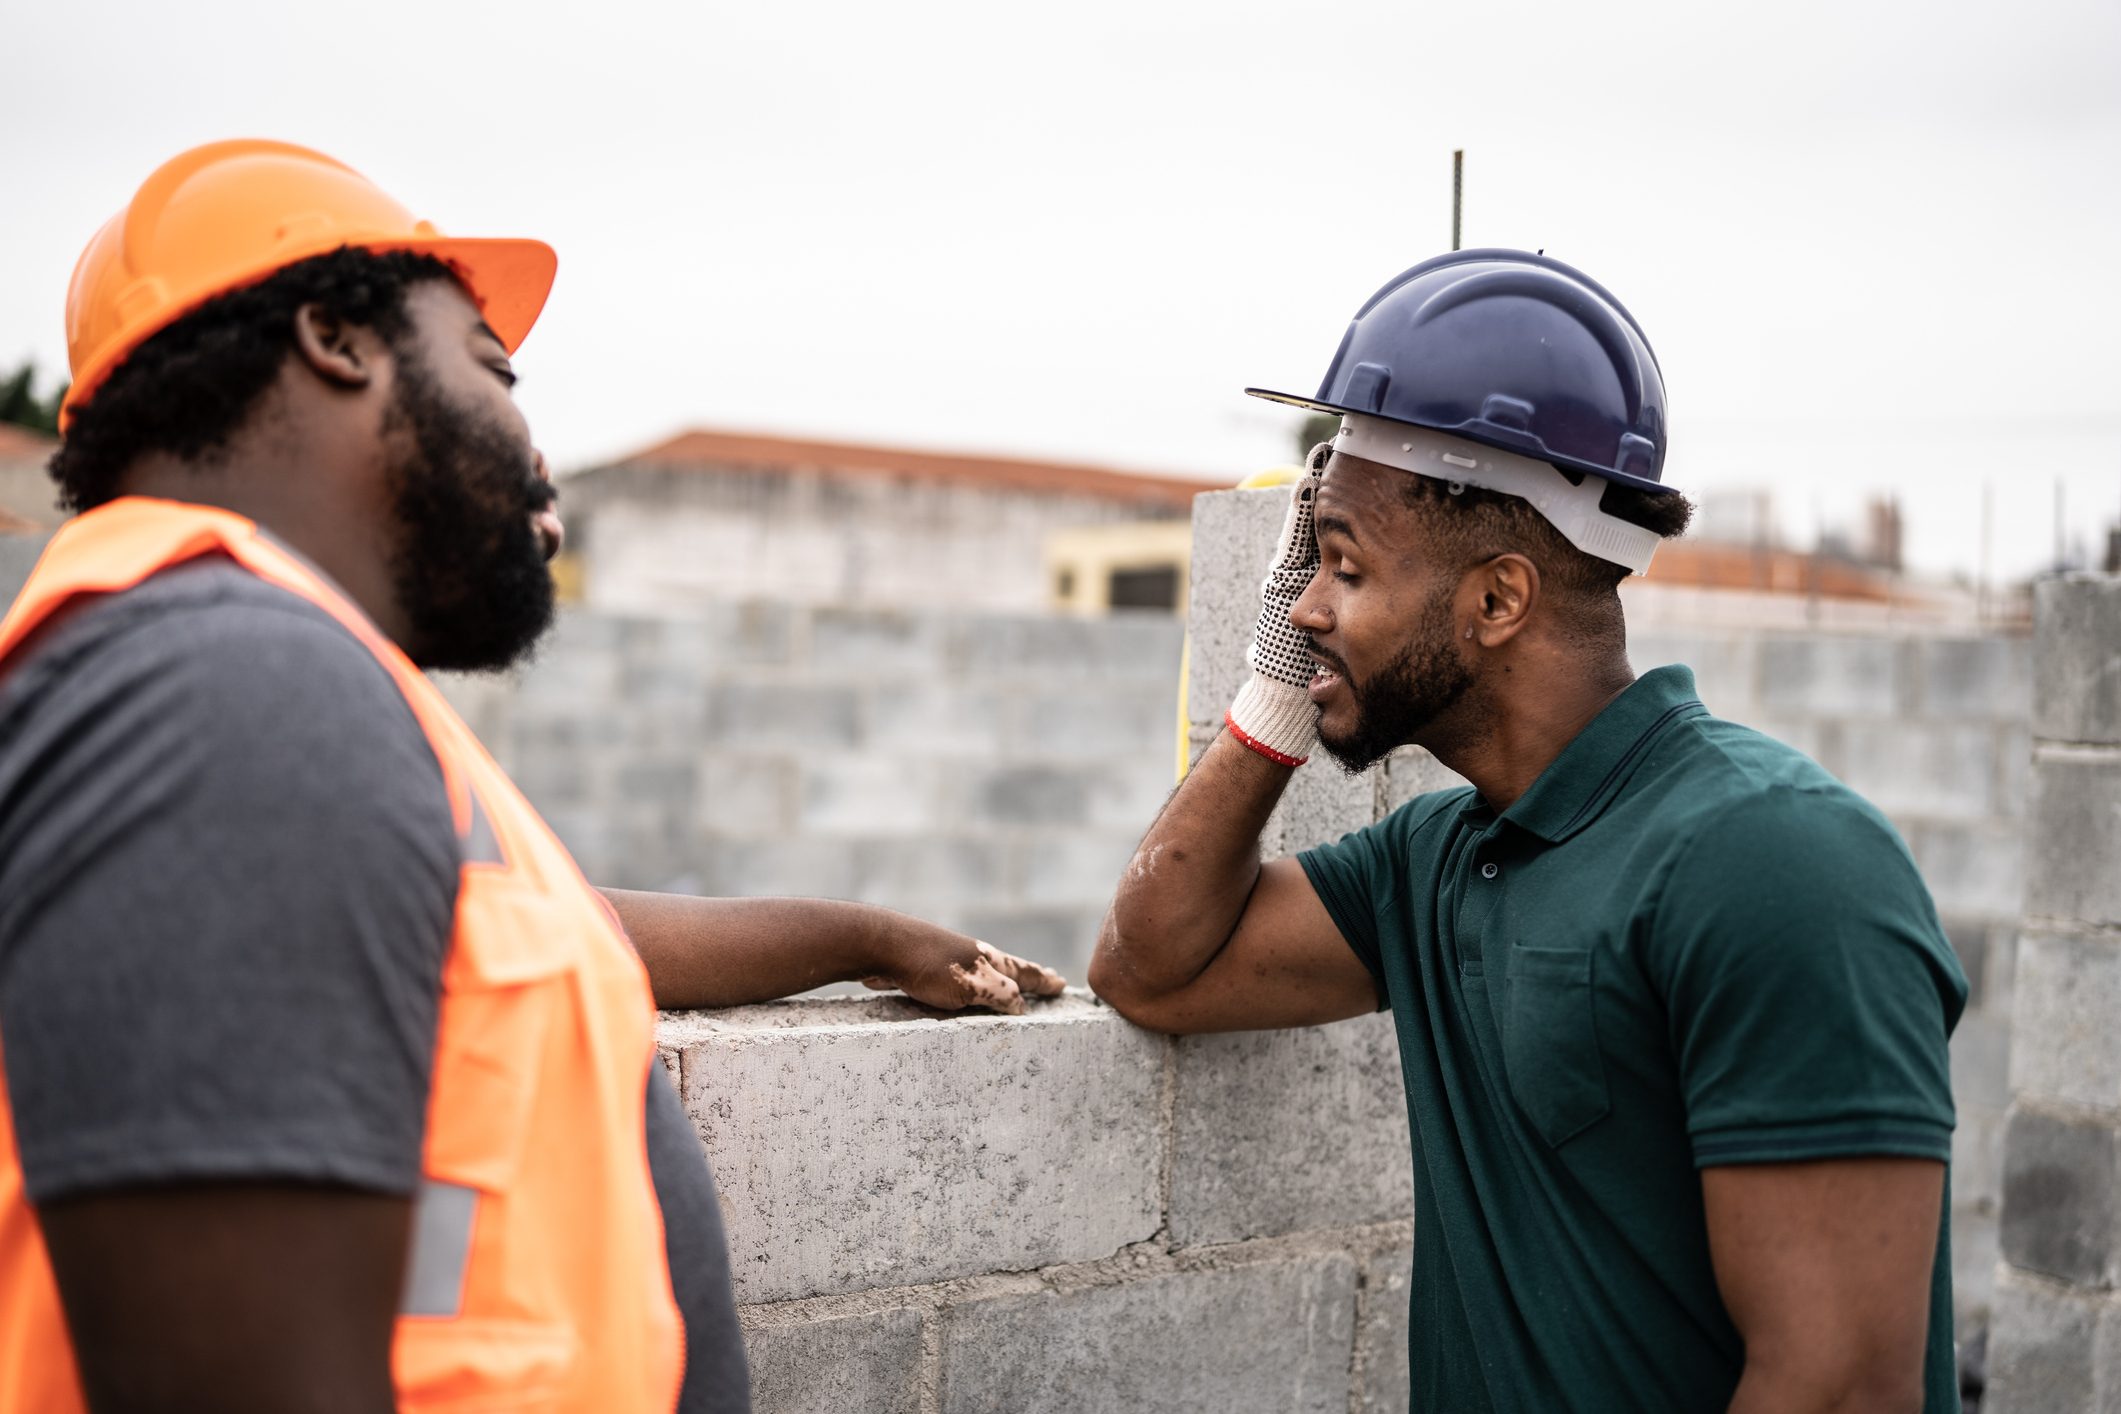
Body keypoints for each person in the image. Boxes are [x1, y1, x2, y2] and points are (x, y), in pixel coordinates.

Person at [0, 139, 1062, 1414]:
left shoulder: (259, 682)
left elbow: (537, 928)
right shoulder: (229, 686)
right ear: (337, 337)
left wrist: (863, 936)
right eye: (493, 371)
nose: (539, 461)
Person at [1090, 250, 1967, 1413]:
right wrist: (1277, 685)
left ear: (1498, 600)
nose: (1303, 602)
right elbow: (1151, 966)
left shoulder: (1772, 858)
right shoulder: (1437, 860)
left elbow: (1841, 1386)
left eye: (1341, 565)